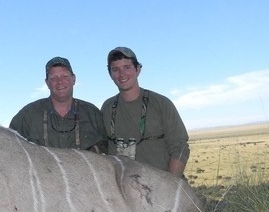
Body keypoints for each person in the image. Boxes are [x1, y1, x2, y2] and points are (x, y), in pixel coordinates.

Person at [101, 47, 189, 175]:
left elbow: (180, 148)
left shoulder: (161, 103)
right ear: (110, 74)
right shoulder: (107, 108)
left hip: (162, 186)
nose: (122, 74)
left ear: (138, 69)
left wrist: (169, 184)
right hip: (121, 189)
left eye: (127, 67)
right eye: (115, 69)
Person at [10, 57, 108, 153]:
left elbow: (107, 152)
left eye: (65, 77)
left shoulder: (93, 114)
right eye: (53, 78)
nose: (60, 82)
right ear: (47, 83)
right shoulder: (27, 115)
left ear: (73, 79)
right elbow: (10, 148)